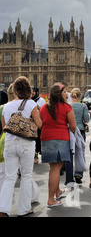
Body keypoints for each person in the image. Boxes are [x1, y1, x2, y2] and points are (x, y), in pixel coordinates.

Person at [0, 77, 43, 217]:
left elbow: (4, 127)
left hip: (10, 144)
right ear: (28, 90)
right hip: (26, 144)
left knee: (9, 177)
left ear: (15, 90)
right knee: (25, 176)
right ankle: (23, 209)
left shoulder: (6, 106)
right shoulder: (31, 104)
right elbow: (39, 124)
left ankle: (3, 209)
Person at [40, 83, 77, 207]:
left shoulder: (45, 107)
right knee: (56, 169)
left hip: (46, 139)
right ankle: (51, 200)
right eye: (65, 91)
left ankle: (57, 192)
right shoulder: (66, 107)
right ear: (60, 94)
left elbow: (41, 123)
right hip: (60, 139)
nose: (67, 94)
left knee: (53, 168)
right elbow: (73, 126)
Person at [70, 88, 90, 184]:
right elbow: (86, 119)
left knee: (69, 153)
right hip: (80, 131)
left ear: (71, 96)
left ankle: (68, 174)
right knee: (80, 153)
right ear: (79, 97)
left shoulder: (67, 106)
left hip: (69, 131)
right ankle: (78, 174)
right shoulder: (83, 106)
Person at [32, 86, 46, 164]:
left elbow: (44, 111)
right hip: (31, 123)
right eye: (31, 91)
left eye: (34, 91)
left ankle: (39, 153)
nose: (32, 93)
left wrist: (38, 107)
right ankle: (35, 156)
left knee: (39, 139)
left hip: (39, 122)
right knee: (33, 139)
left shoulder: (41, 100)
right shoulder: (28, 100)